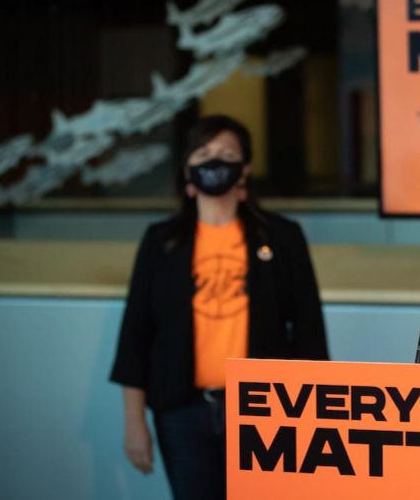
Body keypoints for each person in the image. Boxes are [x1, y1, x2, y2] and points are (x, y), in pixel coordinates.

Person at [110, 115, 329, 500]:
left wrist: (315, 421)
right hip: (181, 411)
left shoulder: (282, 237)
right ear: (187, 172)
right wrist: (134, 423)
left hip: (265, 414)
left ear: (244, 171)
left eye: (227, 154)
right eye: (204, 153)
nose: (215, 162)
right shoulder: (161, 242)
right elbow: (136, 336)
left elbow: (310, 337)